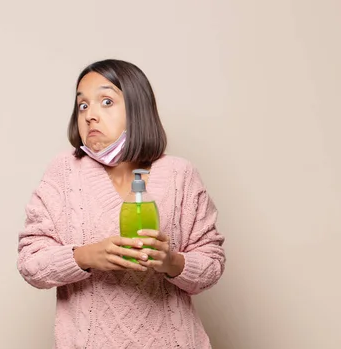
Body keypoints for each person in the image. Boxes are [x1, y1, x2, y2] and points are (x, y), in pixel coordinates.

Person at [16, 59, 226, 349]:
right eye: (83, 105)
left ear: (137, 109)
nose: (90, 115)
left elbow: (212, 265)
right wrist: (85, 257)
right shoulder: (64, 172)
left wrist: (171, 262)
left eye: (106, 101)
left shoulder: (180, 174)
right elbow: (30, 263)